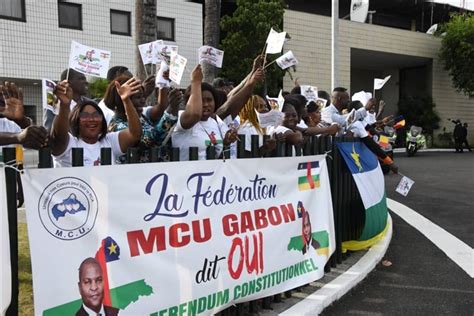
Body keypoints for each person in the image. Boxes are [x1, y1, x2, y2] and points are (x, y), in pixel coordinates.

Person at [50, 78, 141, 167]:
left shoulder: (109, 141)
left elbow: (134, 134)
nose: (92, 119)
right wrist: (64, 105)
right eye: (85, 116)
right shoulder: (69, 143)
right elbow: (59, 136)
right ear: (76, 120)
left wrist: (126, 101)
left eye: (96, 115)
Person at [105, 75, 180, 163]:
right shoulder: (117, 126)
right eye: (138, 97)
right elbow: (151, 140)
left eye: (143, 96)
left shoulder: (141, 118)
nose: (143, 101)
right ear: (122, 100)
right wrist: (171, 110)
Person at [322, 87, 398, 173]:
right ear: (339, 99)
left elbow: (367, 126)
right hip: (327, 156)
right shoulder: (327, 112)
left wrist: (381, 138)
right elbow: (346, 121)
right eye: (347, 99)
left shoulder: (340, 114)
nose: (348, 101)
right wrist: (365, 109)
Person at [172, 65, 239, 160]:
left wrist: (226, 142)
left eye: (209, 100)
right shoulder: (182, 118)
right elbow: (195, 114)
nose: (206, 104)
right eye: (201, 100)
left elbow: (217, 158)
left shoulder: (215, 123)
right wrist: (195, 81)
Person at [0, 81, 48, 150]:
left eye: (2, 101)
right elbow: (20, 137)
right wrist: (17, 137)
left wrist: (22, 121)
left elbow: (40, 144)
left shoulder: (11, 124)